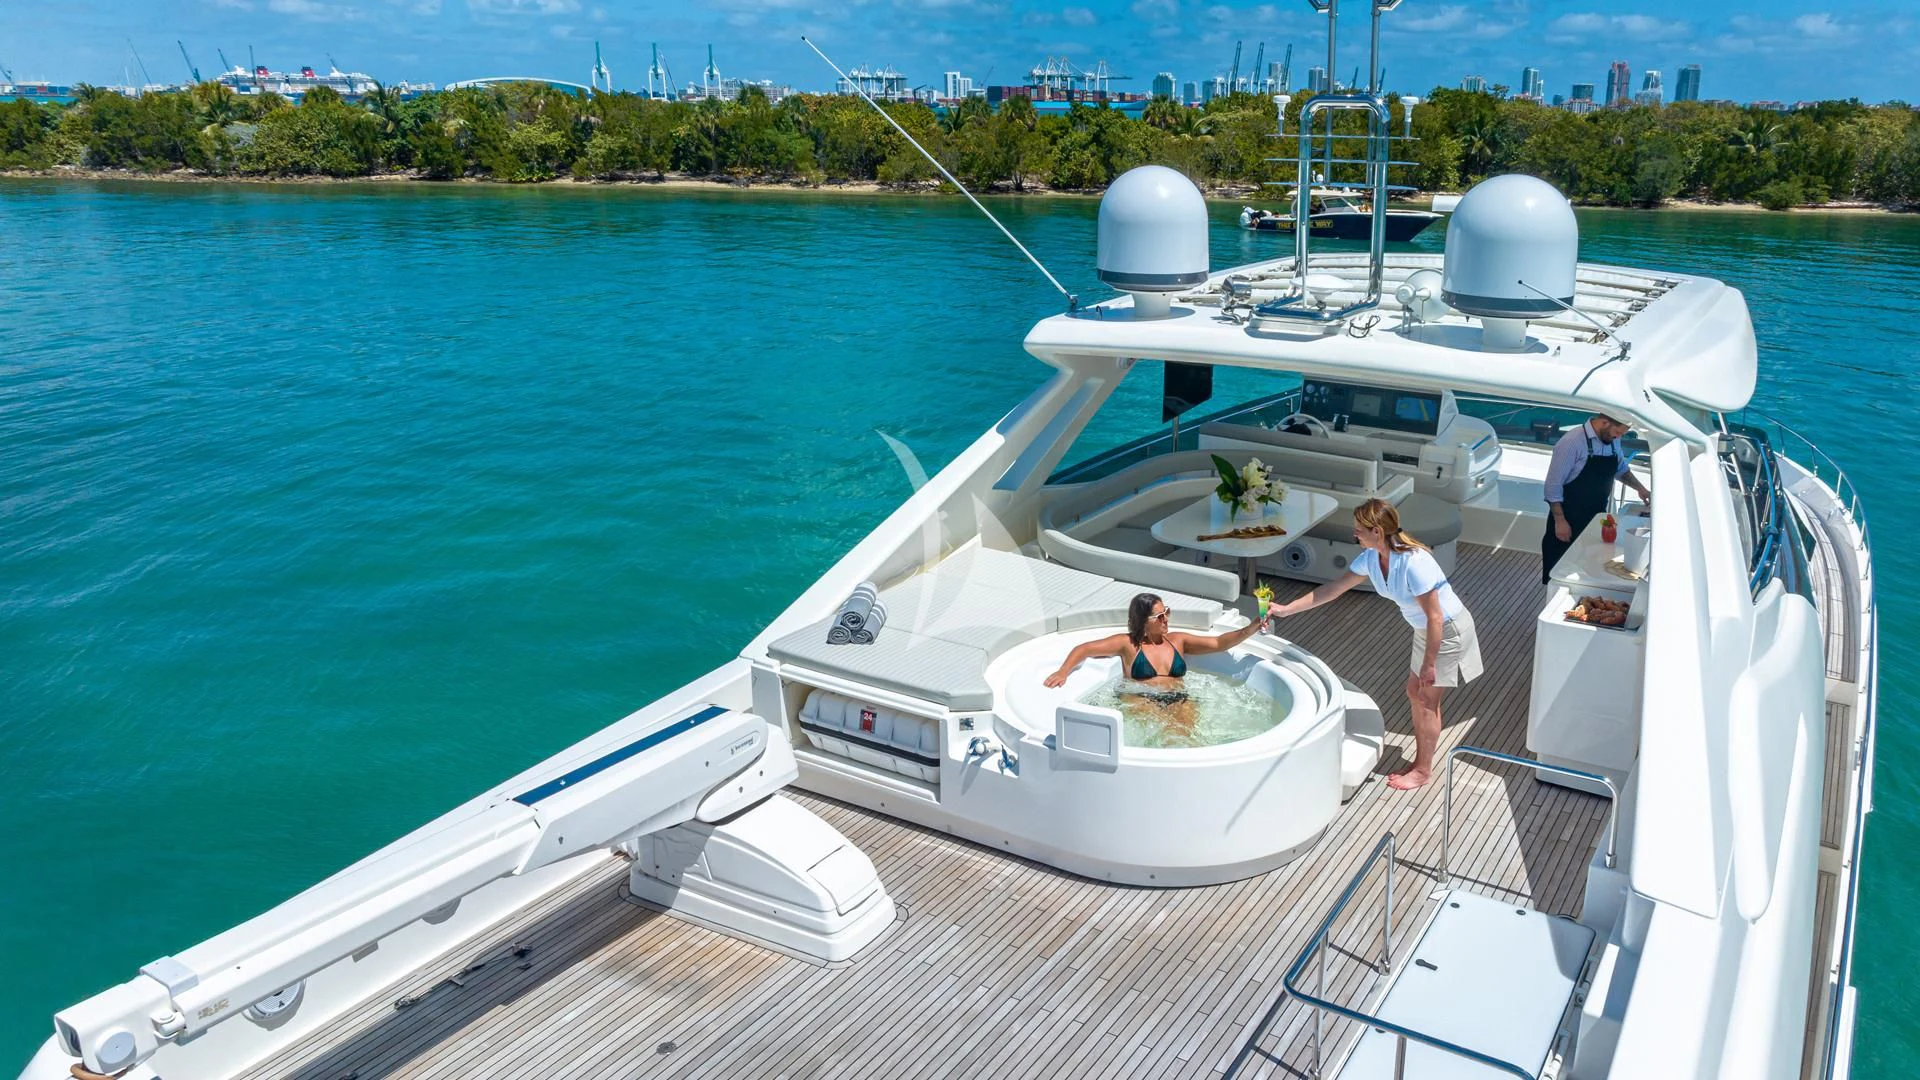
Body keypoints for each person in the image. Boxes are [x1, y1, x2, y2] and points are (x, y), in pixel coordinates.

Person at [1269, 499, 1481, 790]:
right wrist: (1286, 609)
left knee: (1426, 699)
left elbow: (1436, 616)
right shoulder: (1371, 558)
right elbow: (1332, 590)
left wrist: (1430, 663)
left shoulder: (1414, 562)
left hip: (1445, 631)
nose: (1354, 534)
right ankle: (1421, 761)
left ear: (1377, 532)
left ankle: (1423, 770)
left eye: (1359, 530)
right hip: (1426, 631)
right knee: (1414, 692)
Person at [1042, 593, 1270, 730]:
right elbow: (1084, 649)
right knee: (1166, 734)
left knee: (1189, 737)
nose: (1166, 619)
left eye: (1167, 612)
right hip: (1141, 699)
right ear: (1143, 621)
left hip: (1179, 698)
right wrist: (1063, 672)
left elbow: (1219, 643)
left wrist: (1252, 627)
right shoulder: (1127, 644)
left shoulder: (1178, 641)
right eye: (1159, 616)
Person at [1542, 412, 1651, 584]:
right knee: (1560, 571)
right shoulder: (1571, 442)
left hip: (1597, 517)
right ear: (1604, 422)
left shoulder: (1612, 440)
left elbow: (1621, 469)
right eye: (1618, 432)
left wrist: (1641, 489)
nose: (1619, 437)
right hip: (1568, 518)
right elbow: (1552, 487)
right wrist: (1560, 521)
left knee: (1589, 567)